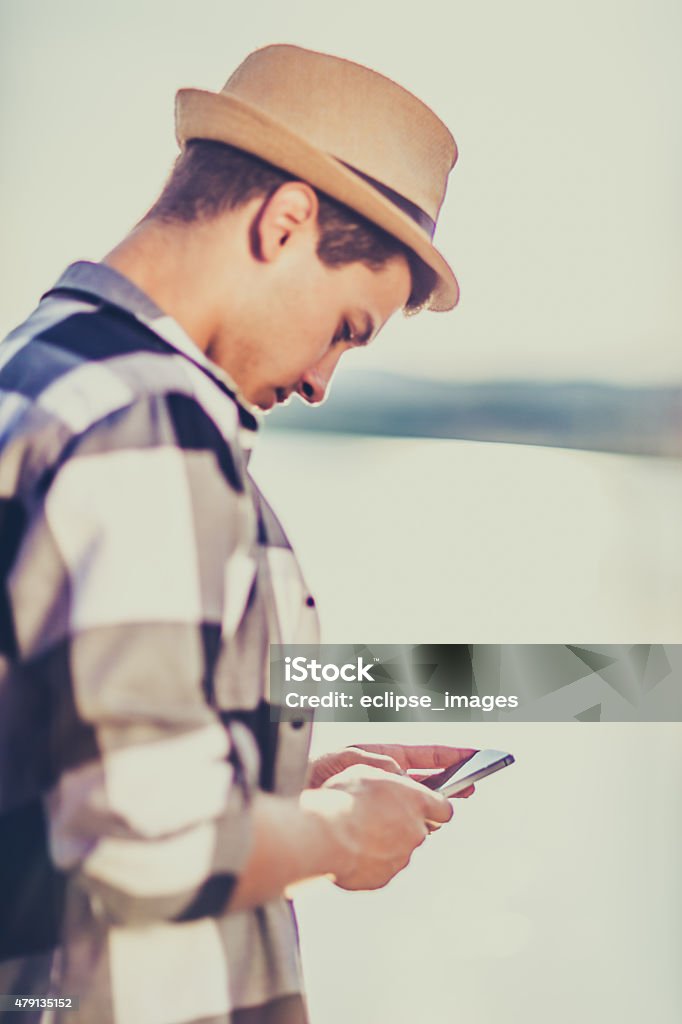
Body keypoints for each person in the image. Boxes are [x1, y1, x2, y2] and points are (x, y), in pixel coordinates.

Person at [0, 44, 474, 1024]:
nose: (319, 380)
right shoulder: (148, 420)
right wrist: (339, 835)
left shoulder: (40, 371)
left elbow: (59, 763)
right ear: (286, 220)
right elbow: (144, 843)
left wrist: (278, 780)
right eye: (345, 327)